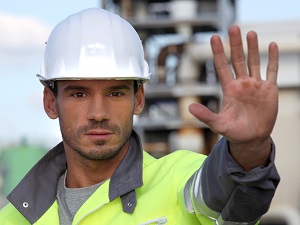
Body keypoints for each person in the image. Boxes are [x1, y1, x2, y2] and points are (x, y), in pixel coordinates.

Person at [0, 8, 280, 225]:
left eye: (115, 93)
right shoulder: (12, 218)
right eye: (79, 94)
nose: (98, 113)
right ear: (50, 102)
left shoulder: (179, 179)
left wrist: (249, 148)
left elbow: (224, 193)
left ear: (139, 99)